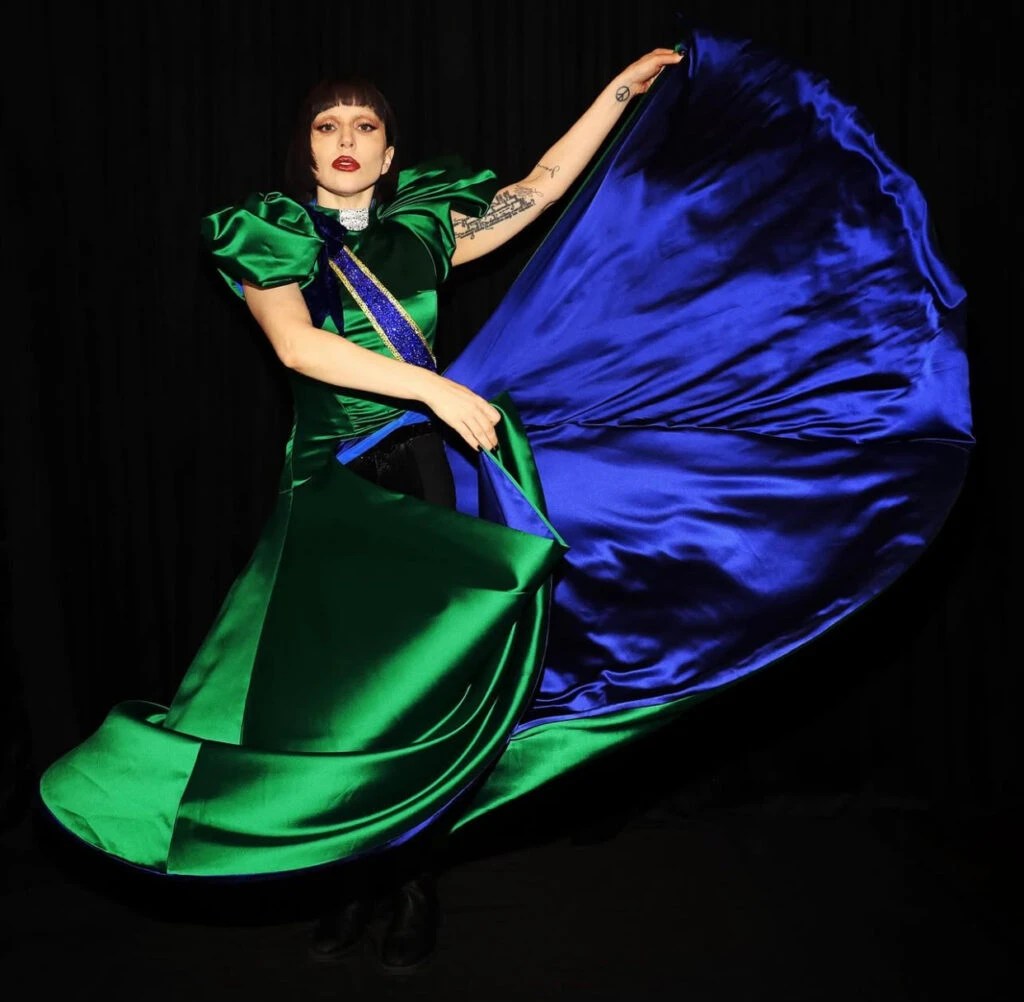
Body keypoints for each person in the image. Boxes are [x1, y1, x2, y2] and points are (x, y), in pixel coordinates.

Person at [38, 28, 972, 975]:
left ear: (389, 155)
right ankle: (340, 876)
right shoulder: (269, 235)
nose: (347, 138)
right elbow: (296, 346)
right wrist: (435, 387)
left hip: (425, 475)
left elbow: (543, 185)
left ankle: (406, 884)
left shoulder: (423, 230)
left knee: (419, 697)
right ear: (307, 150)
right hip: (333, 489)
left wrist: (620, 92)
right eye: (328, 126)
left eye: (366, 126)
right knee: (324, 706)